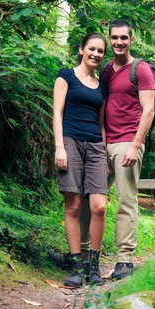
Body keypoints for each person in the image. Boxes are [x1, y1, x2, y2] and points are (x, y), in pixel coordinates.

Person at [80, 20, 155, 280]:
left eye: (124, 38)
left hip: (128, 143)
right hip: (105, 143)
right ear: (110, 40)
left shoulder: (141, 69)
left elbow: (149, 110)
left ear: (131, 40)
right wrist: (100, 142)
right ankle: (83, 256)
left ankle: (125, 260)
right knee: (91, 199)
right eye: (114, 38)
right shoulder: (107, 72)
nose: (119, 42)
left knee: (126, 200)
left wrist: (136, 145)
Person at [53, 33, 108, 287]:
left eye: (100, 51)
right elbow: (57, 113)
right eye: (92, 49)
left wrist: (104, 150)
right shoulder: (66, 76)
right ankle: (76, 267)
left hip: (96, 146)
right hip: (71, 142)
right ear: (81, 49)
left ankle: (93, 266)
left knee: (99, 207)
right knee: (73, 207)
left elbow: (101, 122)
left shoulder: (101, 86)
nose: (96, 54)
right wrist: (59, 147)